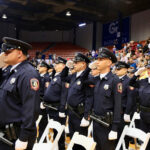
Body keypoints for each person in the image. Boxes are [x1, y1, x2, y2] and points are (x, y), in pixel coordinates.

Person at [0, 37, 40, 150]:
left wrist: (23, 137)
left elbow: (31, 108)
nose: (4, 55)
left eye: (7, 52)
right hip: (5, 133)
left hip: (15, 135)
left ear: (19, 53)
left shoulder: (28, 73)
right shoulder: (11, 72)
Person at [61, 53, 93, 149]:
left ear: (83, 64)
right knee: (72, 138)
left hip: (80, 114)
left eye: (76, 62)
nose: (74, 64)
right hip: (71, 112)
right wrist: (66, 67)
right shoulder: (74, 75)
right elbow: (63, 78)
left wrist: (86, 116)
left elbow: (89, 97)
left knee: (80, 141)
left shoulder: (88, 78)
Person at [92, 47, 122, 150]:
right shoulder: (98, 80)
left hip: (107, 126)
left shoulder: (114, 80)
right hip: (96, 122)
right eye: (97, 59)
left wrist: (114, 128)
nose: (97, 62)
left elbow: (118, 105)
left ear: (109, 62)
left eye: (101, 60)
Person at [44, 57, 68, 150]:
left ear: (64, 66)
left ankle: (61, 148)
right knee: (55, 131)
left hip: (58, 109)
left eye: (58, 64)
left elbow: (64, 94)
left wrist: (62, 109)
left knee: (59, 132)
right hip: (52, 108)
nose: (56, 65)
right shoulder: (56, 75)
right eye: (56, 64)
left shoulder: (64, 77)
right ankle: (56, 147)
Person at [128, 62, 150, 150]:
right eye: (148, 69)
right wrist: (137, 74)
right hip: (143, 115)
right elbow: (131, 83)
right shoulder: (143, 81)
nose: (149, 71)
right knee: (144, 140)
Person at [38, 61, 51, 141]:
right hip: (38, 100)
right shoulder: (39, 76)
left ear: (45, 68)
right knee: (39, 121)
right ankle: (41, 137)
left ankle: (43, 139)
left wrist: (44, 102)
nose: (39, 68)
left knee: (43, 121)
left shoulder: (46, 77)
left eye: (41, 66)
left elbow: (47, 90)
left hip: (42, 101)